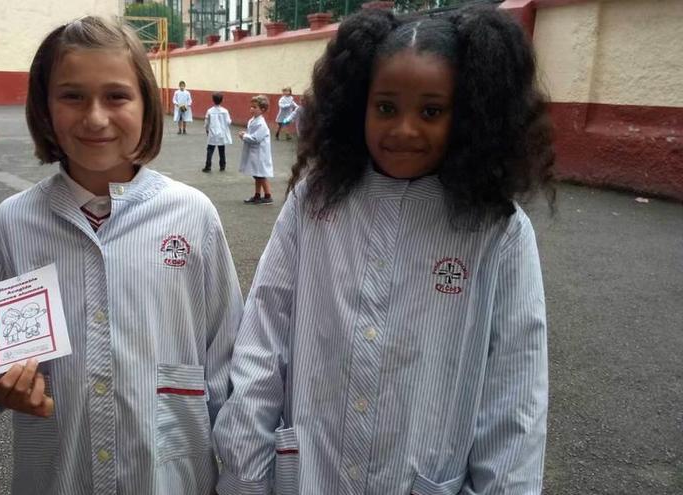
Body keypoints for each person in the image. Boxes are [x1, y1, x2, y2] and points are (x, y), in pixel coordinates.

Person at [213, 6, 554, 494]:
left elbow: (515, 393)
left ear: (471, 114)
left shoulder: (496, 232)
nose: (404, 130)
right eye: (386, 107)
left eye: (432, 111)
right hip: (311, 472)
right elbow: (264, 338)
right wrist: (244, 470)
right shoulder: (315, 204)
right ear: (357, 106)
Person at [0, 16, 243, 494]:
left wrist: (237, 474)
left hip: (168, 476)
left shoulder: (191, 216)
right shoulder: (15, 224)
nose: (95, 118)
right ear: (44, 107)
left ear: (146, 105)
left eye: (116, 96)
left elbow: (227, 355)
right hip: (57, 473)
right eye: (72, 96)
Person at [238, 95, 273, 205]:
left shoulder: (262, 124)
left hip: (260, 153)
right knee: (256, 174)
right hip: (254, 153)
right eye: (251, 107)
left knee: (261, 175)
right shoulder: (252, 120)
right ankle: (257, 195)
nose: (251, 109)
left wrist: (244, 136)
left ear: (262, 110)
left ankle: (268, 195)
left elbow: (256, 138)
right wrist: (246, 135)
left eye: (254, 107)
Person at [203, 91, 232, 172]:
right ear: (221, 100)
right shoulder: (225, 111)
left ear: (213, 100)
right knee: (221, 150)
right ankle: (222, 166)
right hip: (221, 133)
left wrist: (207, 129)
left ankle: (208, 166)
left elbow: (206, 122)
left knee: (210, 149)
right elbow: (229, 122)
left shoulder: (210, 111)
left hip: (212, 133)